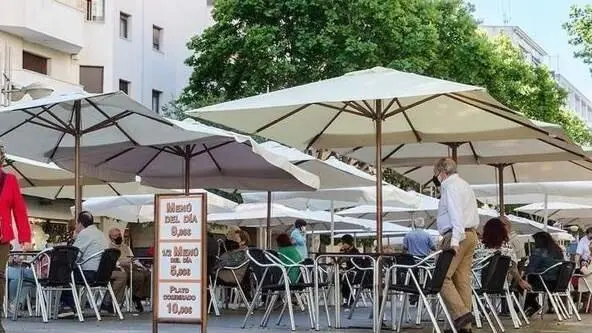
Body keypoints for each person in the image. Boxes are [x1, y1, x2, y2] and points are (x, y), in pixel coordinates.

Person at [433, 157, 479, 332]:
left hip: (456, 234)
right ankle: (464, 327)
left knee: (442, 277)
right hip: (470, 234)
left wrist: (453, 241)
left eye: (436, 174)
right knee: (462, 281)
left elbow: (455, 214)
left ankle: (461, 315)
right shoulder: (465, 185)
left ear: (442, 173)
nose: (436, 178)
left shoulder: (449, 186)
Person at [0, 143, 32, 331]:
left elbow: (19, 210)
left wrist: (25, 238)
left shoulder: (10, 180)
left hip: (2, 238)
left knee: (0, 277)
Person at [481, 218, 531, 291]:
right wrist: (520, 281)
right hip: (500, 286)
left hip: (479, 286)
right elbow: (513, 270)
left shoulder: (478, 248)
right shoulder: (508, 250)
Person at [108, 228, 151, 312]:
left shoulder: (126, 247)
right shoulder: (109, 248)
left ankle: (139, 296)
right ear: (111, 237)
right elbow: (115, 263)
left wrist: (141, 266)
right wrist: (126, 262)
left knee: (147, 274)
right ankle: (136, 297)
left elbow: (133, 258)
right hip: (122, 268)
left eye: (119, 235)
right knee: (139, 276)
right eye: (116, 236)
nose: (118, 237)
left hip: (132, 266)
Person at [524, 231, 565, 317]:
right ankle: (531, 306)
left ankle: (526, 307)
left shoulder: (539, 252)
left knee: (519, 283)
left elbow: (530, 270)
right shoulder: (558, 252)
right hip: (558, 283)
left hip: (544, 283)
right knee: (530, 281)